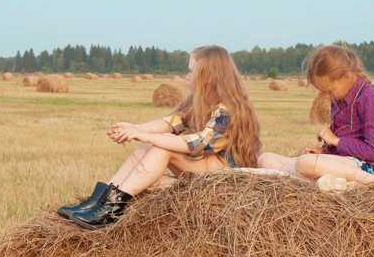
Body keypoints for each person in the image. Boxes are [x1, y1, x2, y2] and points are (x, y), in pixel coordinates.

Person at [57, 45, 262, 229]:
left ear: (207, 76)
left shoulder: (228, 110)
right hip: (206, 169)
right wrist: (136, 129)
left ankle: (112, 209)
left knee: (161, 147)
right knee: (149, 146)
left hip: (227, 178)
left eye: (191, 71)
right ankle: (100, 200)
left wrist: (146, 136)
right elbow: (170, 123)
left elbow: (199, 145)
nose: (186, 76)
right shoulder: (199, 101)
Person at [258, 44, 374, 187]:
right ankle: (306, 179)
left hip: (361, 167)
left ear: (346, 77)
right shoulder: (338, 98)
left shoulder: (370, 98)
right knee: (265, 159)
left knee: (304, 163)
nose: (326, 96)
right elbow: (342, 139)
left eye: (329, 90)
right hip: (337, 161)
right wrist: (323, 151)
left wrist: (335, 140)